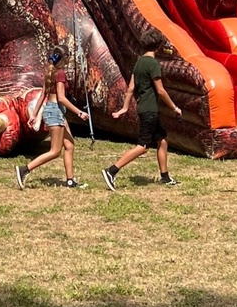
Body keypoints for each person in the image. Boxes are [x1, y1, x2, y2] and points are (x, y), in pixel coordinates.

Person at [103, 29, 183, 190]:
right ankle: (111, 171)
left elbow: (131, 87)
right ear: (159, 46)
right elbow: (160, 91)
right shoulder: (153, 64)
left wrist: (124, 108)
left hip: (143, 108)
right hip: (150, 110)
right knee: (143, 147)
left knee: (162, 139)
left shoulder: (139, 62)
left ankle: (165, 176)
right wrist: (174, 107)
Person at [15, 45, 89, 189]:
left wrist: (35, 114)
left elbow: (43, 94)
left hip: (51, 110)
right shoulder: (60, 73)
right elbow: (61, 98)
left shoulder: (50, 71)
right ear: (65, 58)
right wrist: (79, 112)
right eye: (68, 56)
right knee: (55, 151)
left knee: (69, 145)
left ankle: (70, 180)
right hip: (55, 111)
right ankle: (24, 169)